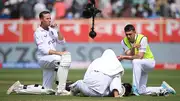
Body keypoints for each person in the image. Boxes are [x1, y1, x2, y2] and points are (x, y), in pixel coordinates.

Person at [7, 11, 71, 96]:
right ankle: (61, 90)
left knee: (46, 90)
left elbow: (62, 41)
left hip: (51, 59)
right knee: (62, 58)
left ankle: (19, 88)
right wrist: (60, 53)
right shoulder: (38, 33)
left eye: (50, 18)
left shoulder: (52, 30)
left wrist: (58, 31)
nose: (49, 20)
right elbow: (44, 50)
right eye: (47, 18)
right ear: (41, 19)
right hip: (44, 59)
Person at [117, 24, 176, 96]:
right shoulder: (123, 42)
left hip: (149, 62)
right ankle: (163, 89)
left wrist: (123, 57)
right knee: (142, 91)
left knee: (135, 61)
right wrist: (133, 47)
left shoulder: (142, 38)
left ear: (135, 32)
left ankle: (134, 88)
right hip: (140, 66)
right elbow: (130, 54)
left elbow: (140, 56)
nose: (128, 36)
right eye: (127, 34)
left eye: (130, 34)